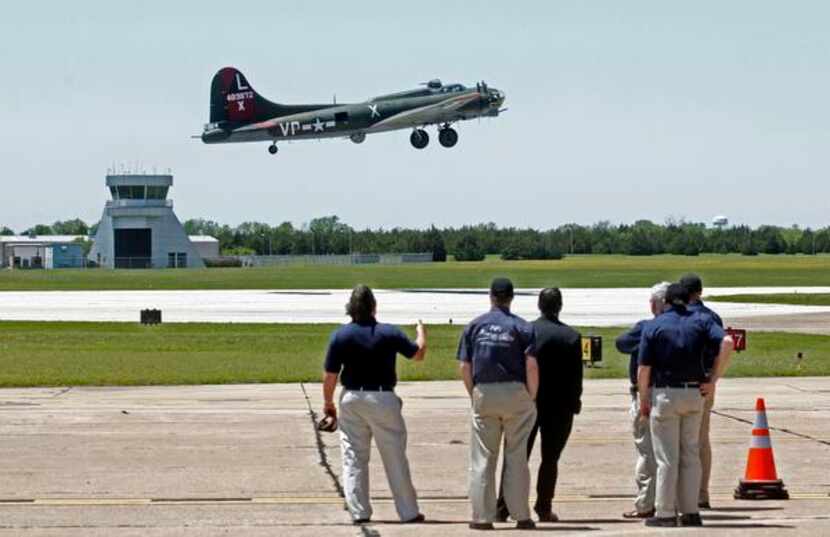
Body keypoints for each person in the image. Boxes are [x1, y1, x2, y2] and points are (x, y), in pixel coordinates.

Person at [322, 284, 427, 525]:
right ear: (373, 308)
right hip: (383, 398)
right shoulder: (389, 333)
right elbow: (418, 354)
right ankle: (408, 511)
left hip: (352, 398)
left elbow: (330, 375)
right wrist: (421, 332)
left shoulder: (340, 336)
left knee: (353, 457)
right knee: (395, 457)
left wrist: (328, 404)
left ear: (351, 308)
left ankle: (359, 511)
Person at [638, 283, 733, 528]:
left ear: (667, 301)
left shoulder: (654, 326)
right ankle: (691, 511)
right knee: (691, 454)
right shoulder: (701, 321)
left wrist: (643, 399)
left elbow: (644, 369)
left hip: (666, 394)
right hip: (694, 393)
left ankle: (666, 512)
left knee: (667, 458)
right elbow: (727, 342)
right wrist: (713, 380)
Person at [458, 277, 539, 531]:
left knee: (483, 457)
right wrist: (531, 395)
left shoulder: (474, 326)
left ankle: (482, 517)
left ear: (491, 296)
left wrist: (474, 393)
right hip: (516, 392)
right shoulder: (523, 327)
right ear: (511, 298)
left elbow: (464, 366)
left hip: (484, 392)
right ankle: (521, 515)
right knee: (516, 457)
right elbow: (532, 366)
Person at [496, 287, 582, 523]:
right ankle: (544, 506)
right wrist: (575, 401)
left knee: (516, 456)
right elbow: (576, 376)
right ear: (560, 306)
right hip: (560, 405)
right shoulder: (571, 336)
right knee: (550, 459)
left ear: (539, 306)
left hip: (528, 401)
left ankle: (502, 506)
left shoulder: (526, 330)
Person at [615, 282, 670, 519]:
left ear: (655, 305)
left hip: (647, 394)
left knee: (647, 451)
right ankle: (673, 501)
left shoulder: (647, 327)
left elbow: (621, 343)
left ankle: (646, 503)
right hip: (673, 393)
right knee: (672, 453)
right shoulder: (682, 327)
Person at [679, 273, 725, 510]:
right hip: (706, 382)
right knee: (701, 440)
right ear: (700, 291)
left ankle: (681, 493)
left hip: (682, 384)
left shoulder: (682, 317)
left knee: (680, 443)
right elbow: (723, 347)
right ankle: (701, 493)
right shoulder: (712, 317)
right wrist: (714, 378)